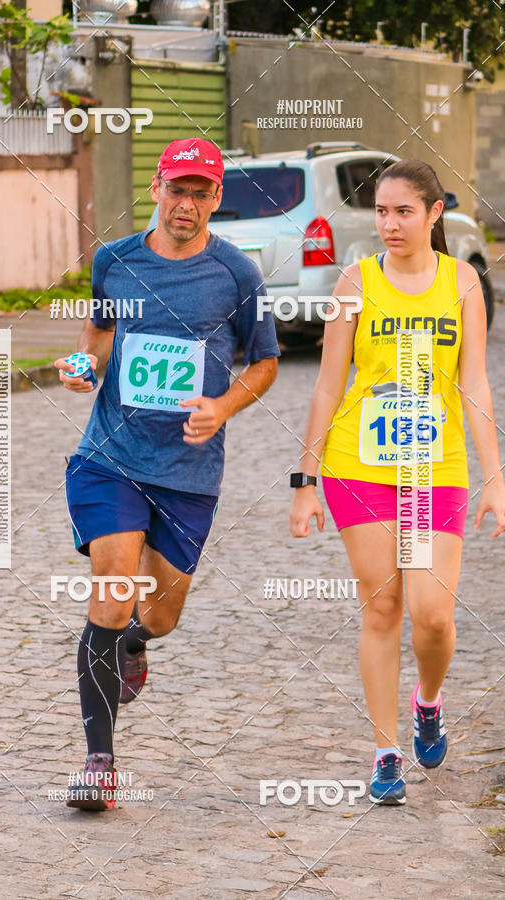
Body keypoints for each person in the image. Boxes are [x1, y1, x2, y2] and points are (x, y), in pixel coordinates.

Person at [54, 137, 280, 810]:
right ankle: (99, 762)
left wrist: (222, 406)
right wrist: (84, 366)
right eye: (176, 189)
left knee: (162, 611)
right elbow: (98, 333)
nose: (186, 204)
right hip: (111, 458)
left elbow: (265, 363)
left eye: (201, 192)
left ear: (216, 198)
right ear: (156, 187)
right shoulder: (114, 260)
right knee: (113, 579)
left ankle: (135, 643)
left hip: (188, 472)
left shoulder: (238, 274)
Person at [289, 158, 505, 805]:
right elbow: (328, 383)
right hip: (360, 466)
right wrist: (305, 477)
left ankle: (428, 702)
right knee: (382, 606)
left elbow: (473, 385)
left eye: (403, 211)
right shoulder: (354, 283)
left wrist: (493, 476)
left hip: (432, 468)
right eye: (381, 211)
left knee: (432, 616)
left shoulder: (462, 282)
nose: (389, 224)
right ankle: (386, 752)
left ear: (434, 213)